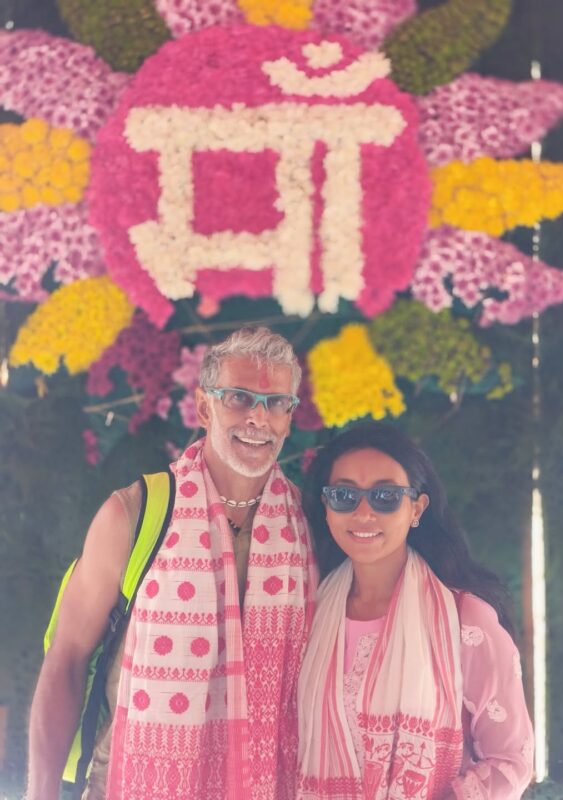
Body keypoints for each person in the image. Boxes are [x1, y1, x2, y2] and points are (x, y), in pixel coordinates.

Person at [27, 326, 318, 800]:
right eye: (239, 398)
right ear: (205, 407)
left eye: (277, 403)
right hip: (131, 782)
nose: (259, 419)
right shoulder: (136, 512)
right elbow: (66, 659)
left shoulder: (307, 525)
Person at [297, 421, 533, 800]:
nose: (363, 513)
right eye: (344, 495)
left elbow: (511, 761)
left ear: (416, 508)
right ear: (326, 506)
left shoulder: (464, 618)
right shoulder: (308, 615)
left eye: (385, 497)